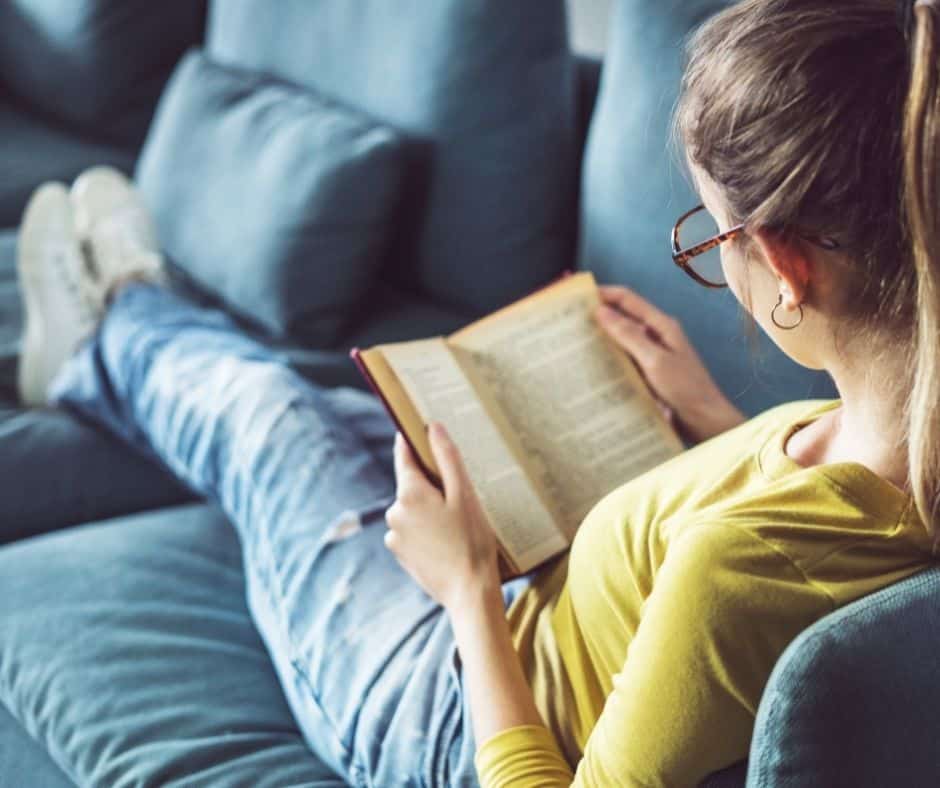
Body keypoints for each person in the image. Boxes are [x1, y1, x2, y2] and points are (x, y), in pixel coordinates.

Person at [13, 0, 940, 784]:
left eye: (714, 239)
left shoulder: (730, 576)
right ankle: (125, 321)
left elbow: (752, 575)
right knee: (347, 418)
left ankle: (109, 324)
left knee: (271, 419)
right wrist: (710, 417)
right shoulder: (903, 434)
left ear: (786, 268)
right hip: (534, 626)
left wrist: (463, 590)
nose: (716, 263)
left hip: (450, 711)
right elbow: (796, 536)